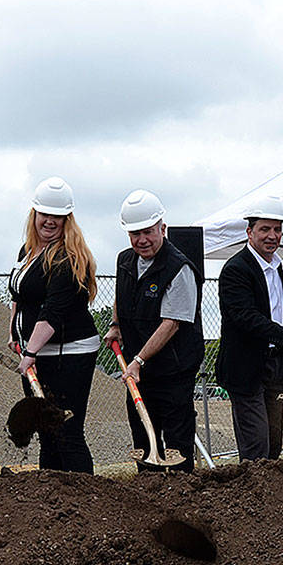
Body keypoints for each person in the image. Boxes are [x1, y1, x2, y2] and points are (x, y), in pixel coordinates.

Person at [104, 190, 203, 472]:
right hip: (140, 368)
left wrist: (138, 361)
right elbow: (122, 295)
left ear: (162, 228)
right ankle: (148, 489)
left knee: (175, 441)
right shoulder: (125, 260)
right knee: (143, 434)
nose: (142, 240)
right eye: (135, 234)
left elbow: (172, 323)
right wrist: (116, 324)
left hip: (173, 368)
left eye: (148, 232)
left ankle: (182, 491)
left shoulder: (179, 268)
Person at [8, 177, 99, 473]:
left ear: (66, 219)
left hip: (68, 354)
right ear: (34, 214)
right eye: (43, 214)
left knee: (66, 431)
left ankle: (88, 501)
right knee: (46, 433)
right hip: (36, 354)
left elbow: (53, 312)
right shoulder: (28, 252)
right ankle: (53, 503)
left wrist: (30, 351)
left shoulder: (68, 257)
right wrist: (14, 335)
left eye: (56, 216)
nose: (49, 221)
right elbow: (18, 297)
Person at [216, 195, 283, 461]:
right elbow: (246, 316)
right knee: (257, 447)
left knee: (274, 443)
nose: (272, 235)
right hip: (245, 368)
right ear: (249, 232)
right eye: (264, 229)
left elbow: (269, 302)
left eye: (277, 229)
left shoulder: (276, 267)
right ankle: (252, 498)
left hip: (273, 366)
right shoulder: (236, 269)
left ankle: (271, 500)